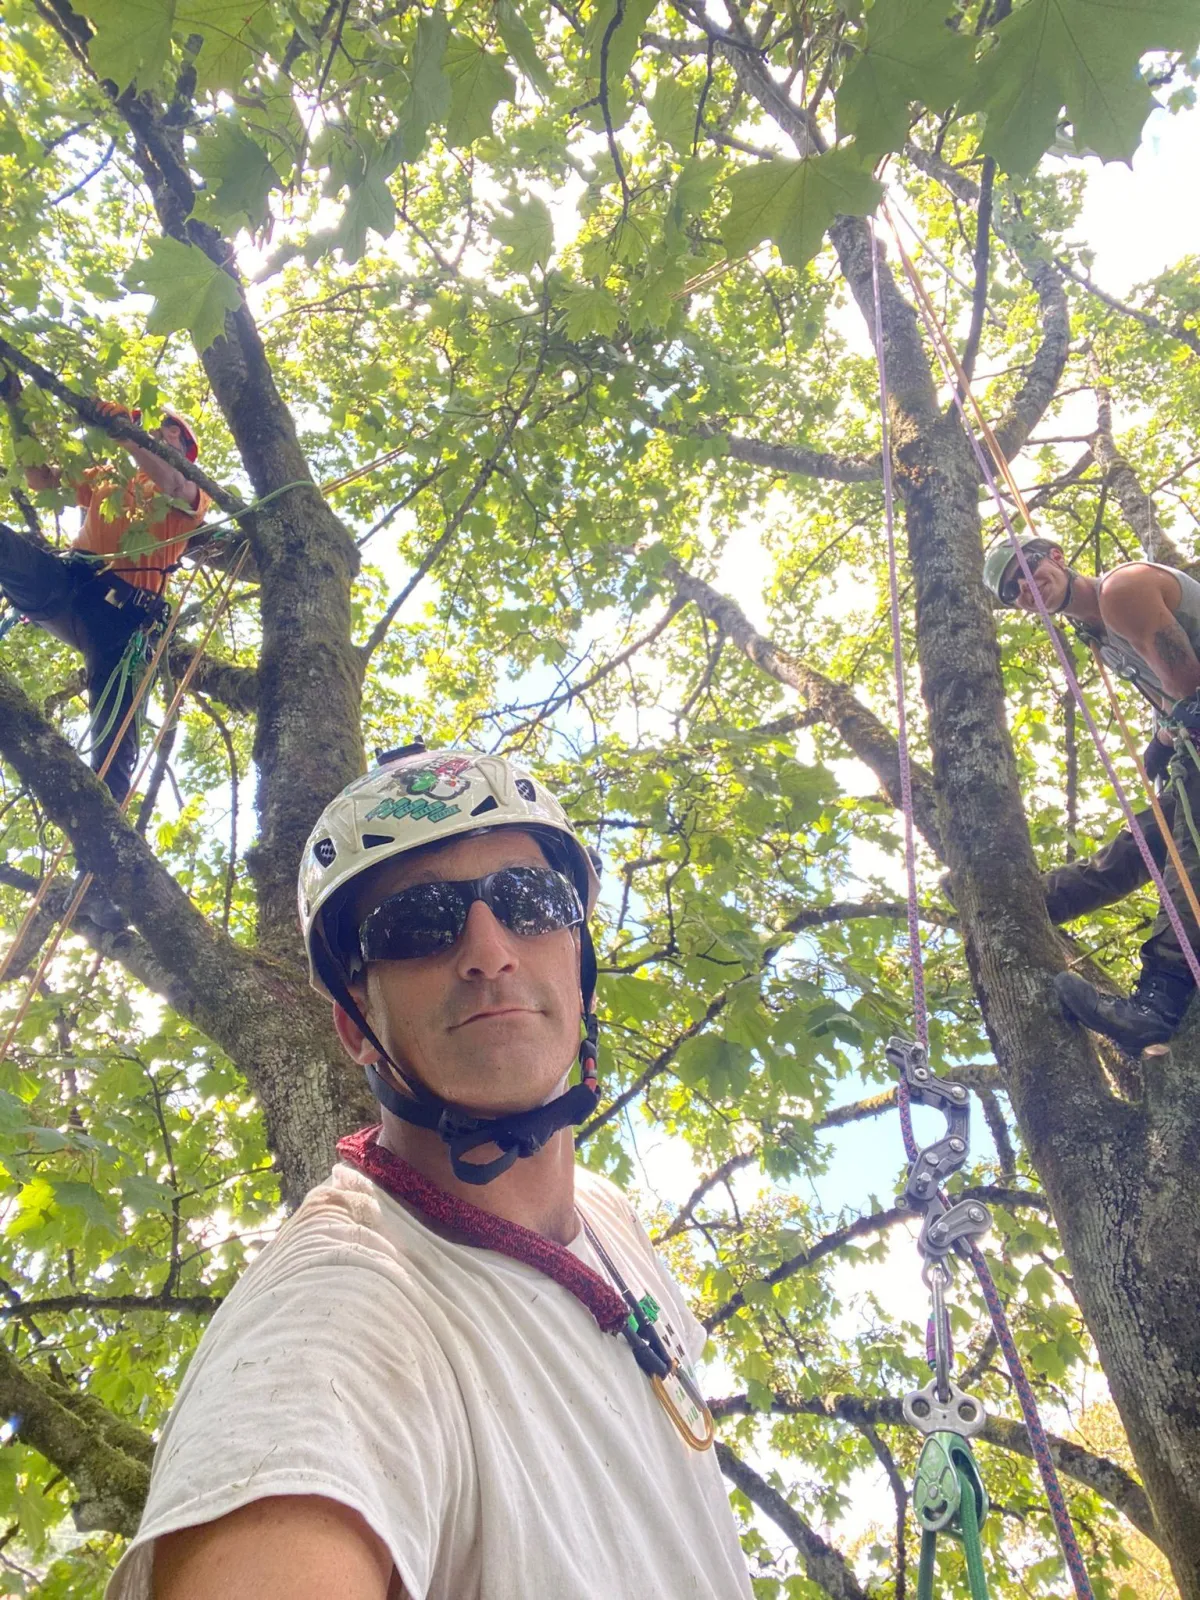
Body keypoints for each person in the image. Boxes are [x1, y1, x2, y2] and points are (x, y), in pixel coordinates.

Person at [106, 745, 755, 1600]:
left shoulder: (610, 1222)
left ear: (582, 970)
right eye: (417, 924)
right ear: (355, 1026)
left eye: (531, 902)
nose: (489, 950)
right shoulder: (336, 1313)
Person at [983, 535, 1200, 1053]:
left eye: (1027, 568)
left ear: (1057, 556)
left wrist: (1173, 730)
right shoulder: (1097, 633)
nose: (1024, 587)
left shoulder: (1121, 590)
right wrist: (1161, 739)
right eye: (1012, 590)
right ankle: (1041, 900)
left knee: (1190, 849)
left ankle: (1160, 999)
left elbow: (1190, 690)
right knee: (1147, 837)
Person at [0, 370, 210, 801]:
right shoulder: (112, 477)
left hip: (123, 623)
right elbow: (41, 479)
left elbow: (173, 484)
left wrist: (126, 435)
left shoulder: (192, 488)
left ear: (177, 437)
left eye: (159, 428)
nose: (150, 431)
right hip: (70, 585)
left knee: (114, 752)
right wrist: (15, 405)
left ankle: (103, 838)